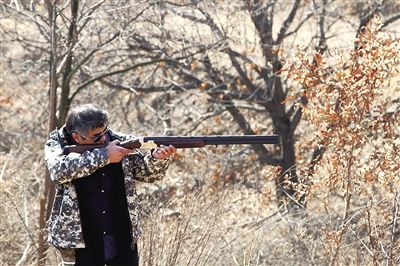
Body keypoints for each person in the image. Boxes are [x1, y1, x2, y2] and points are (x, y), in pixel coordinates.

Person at [44, 103, 176, 265]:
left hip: (120, 233)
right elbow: (58, 171)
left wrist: (157, 158)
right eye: (97, 136)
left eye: (105, 131)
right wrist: (105, 156)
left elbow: (147, 173)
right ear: (77, 137)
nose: (105, 138)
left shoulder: (120, 141)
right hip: (80, 240)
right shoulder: (57, 145)